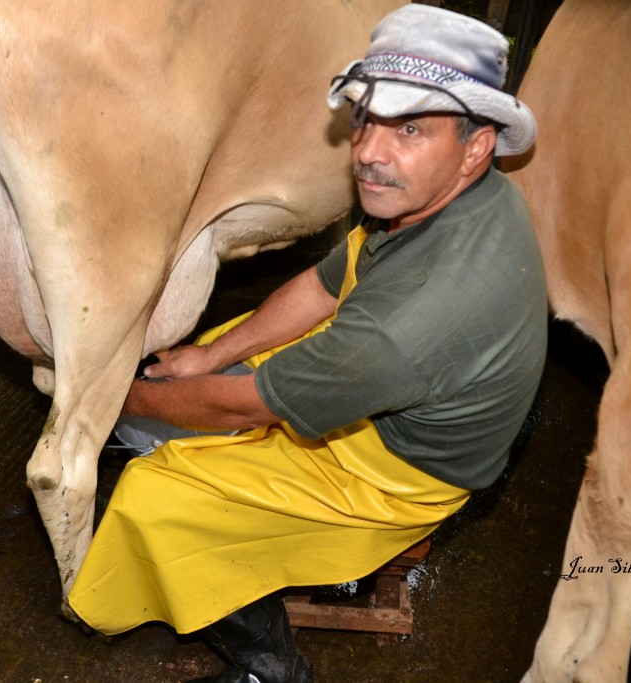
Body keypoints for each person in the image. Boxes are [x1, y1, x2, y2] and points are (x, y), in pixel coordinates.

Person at [67, 5, 547, 682]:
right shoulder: (446, 200)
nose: (370, 153)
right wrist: (207, 356)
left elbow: (246, 406)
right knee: (201, 362)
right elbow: (328, 284)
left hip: (394, 476)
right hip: (393, 395)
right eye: (365, 119)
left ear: (477, 144)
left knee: (157, 494)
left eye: (410, 128)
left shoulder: (411, 318)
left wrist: (112, 393)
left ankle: (273, 666)